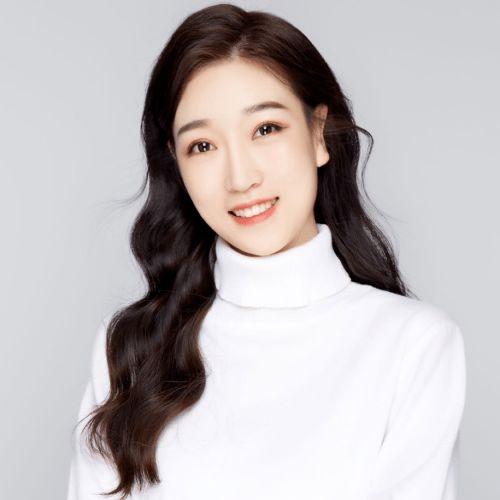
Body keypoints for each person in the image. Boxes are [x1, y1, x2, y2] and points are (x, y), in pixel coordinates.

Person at [66, 3, 466, 499]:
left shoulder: (413, 346)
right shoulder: (129, 348)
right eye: (203, 146)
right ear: (177, 165)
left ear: (318, 134)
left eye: (265, 129)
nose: (240, 178)